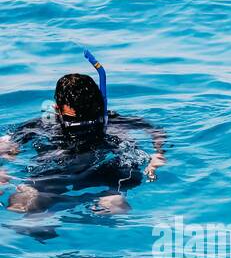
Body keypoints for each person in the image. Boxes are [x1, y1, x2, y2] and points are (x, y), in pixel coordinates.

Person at [0, 54, 166, 215]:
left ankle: (38, 220)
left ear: (57, 108)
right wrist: (156, 155)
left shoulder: (44, 124)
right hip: (104, 169)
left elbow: (6, 144)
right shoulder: (113, 121)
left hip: (55, 170)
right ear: (100, 102)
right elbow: (156, 131)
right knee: (117, 193)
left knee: (24, 200)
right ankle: (111, 199)